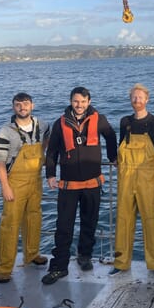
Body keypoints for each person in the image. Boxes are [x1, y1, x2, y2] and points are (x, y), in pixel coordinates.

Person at [42, 86, 117, 285]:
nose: (79, 105)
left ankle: (84, 255)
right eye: (76, 101)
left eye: (83, 101)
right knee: (63, 227)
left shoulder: (99, 119)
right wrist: (50, 174)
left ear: (89, 102)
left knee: (89, 223)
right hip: (68, 185)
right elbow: (52, 152)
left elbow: (110, 136)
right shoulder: (60, 123)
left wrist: (113, 157)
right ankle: (59, 267)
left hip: (92, 183)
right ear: (71, 101)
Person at [109, 83, 154, 278]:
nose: (137, 101)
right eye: (134, 97)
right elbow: (120, 147)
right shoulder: (124, 121)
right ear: (131, 100)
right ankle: (120, 262)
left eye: (140, 97)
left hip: (149, 180)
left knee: (152, 221)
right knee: (123, 220)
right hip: (126, 179)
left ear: (147, 99)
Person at [0, 92, 50, 283]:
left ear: (32, 106)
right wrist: (5, 187)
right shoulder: (5, 131)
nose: (22, 107)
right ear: (13, 107)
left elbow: (48, 140)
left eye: (26, 104)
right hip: (14, 183)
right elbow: (0, 163)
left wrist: (43, 155)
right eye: (18, 104)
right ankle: (4, 268)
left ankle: (32, 255)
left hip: (36, 179)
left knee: (34, 218)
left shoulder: (42, 125)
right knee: (10, 225)